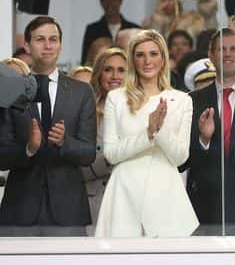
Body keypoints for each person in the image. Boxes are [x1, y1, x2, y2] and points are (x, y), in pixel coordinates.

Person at [95, 30, 198, 237]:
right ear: (133, 60)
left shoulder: (181, 100)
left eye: (153, 54)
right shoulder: (117, 98)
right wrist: (148, 133)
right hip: (123, 195)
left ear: (163, 58)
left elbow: (180, 157)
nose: (147, 61)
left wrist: (160, 131)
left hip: (165, 195)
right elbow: (111, 154)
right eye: (140, 55)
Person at [0, 16, 97, 236]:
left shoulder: (82, 92)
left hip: (68, 210)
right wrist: (28, 149)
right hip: (19, 209)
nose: (47, 45)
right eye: (40, 39)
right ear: (27, 45)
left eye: (53, 39)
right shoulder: (10, 89)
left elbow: (89, 152)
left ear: (60, 45)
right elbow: (1, 155)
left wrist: (65, 142)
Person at [183, 28, 235, 235]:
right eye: (221, 49)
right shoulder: (192, 100)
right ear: (210, 56)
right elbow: (182, 161)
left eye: (233, 49)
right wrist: (203, 139)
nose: (227, 54)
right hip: (205, 207)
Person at [85, 48, 127, 234]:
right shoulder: (85, 111)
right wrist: (111, 158)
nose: (114, 76)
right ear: (98, 73)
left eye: (121, 70)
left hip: (130, 198)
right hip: (94, 201)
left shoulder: (142, 110)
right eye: (108, 69)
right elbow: (77, 162)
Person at [81, 0, 140, 65]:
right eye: (105, 0)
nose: (109, 3)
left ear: (120, 1)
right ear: (101, 2)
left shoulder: (134, 29)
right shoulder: (92, 29)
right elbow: (85, 61)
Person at [143, 0, 217, 42]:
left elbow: (209, 31)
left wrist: (203, 1)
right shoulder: (150, 23)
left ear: (177, 0)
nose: (167, 3)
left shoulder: (191, 19)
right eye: (163, 0)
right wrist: (158, 22)